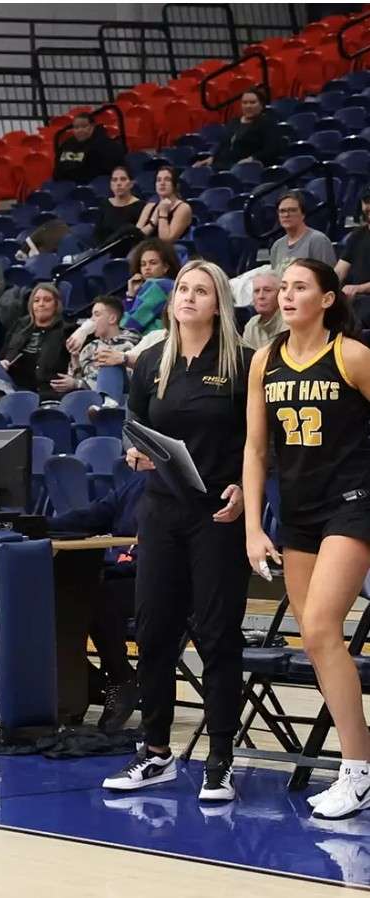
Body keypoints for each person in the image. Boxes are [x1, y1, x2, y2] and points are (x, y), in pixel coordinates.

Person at [103, 260, 250, 804]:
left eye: (200, 291)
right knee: (154, 630)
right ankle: (156, 750)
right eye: (183, 289)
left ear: (218, 303)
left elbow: (259, 442)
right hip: (161, 511)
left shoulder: (243, 362)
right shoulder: (150, 361)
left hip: (218, 515)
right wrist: (134, 453)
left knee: (217, 635)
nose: (188, 297)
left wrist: (244, 487)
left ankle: (220, 759)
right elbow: (134, 426)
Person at [243, 258, 370, 820]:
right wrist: (253, 526)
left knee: (320, 626)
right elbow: (255, 450)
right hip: (297, 513)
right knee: (317, 644)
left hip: (352, 504)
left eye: (300, 287)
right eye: (284, 287)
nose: (287, 295)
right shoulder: (264, 360)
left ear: (327, 298)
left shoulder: (352, 355)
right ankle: (360, 759)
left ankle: (357, 771)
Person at [48, 466, 147, 731]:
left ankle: (120, 677)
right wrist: (36, 525)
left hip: (157, 579)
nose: (131, 455)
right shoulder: (136, 484)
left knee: (95, 593)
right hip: (119, 573)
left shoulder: (180, 487)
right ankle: (81, 679)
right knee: (59, 591)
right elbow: (93, 516)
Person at [0, 283, 73, 399]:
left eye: (47, 300)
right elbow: (2, 355)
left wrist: (74, 381)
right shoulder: (20, 326)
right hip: (13, 386)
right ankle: (3, 399)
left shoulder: (67, 331)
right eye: (36, 301)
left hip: (47, 391)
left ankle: (4, 401)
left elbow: (77, 363)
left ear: (56, 305)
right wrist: (2, 362)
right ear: (31, 305)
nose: (41, 304)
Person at [58, 296, 138, 393]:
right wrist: (75, 360)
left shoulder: (129, 346)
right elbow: (76, 381)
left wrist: (77, 384)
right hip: (86, 398)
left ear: (112, 319)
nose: (91, 320)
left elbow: (121, 383)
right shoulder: (90, 347)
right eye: (91, 316)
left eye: (97, 315)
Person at [199, 87, 287, 170]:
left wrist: (252, 158)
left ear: (261, 105)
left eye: (252, 102)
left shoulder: (267, 123)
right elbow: (223, 144)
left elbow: (272, 149)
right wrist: (212, 158)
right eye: (245, 103)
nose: (248, 106)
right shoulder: (234, 122)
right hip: (221, 164)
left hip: (246, 168)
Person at [271, 190, 338, 271]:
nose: (286, 215)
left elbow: (328, 276)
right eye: (282, 211)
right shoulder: (277, 246)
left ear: (303, 214)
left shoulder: (318, 240)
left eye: (292, 210)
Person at [54, 113, 126, 184]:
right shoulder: (67, 144)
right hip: (68, 184)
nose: (80, 130)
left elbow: (99, 172)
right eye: (76, 127)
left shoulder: (106, 145)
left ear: (92, 126)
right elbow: (58, 170)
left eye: (84, 126)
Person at [334, 188, 370, 319]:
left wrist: (359, 288)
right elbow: (339, 272)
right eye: (367, 202)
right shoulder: (357, 235)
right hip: (358, 302)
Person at [94, 165, 148, 250]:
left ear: (131, 184)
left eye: (123, 179)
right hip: (105, 253)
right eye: (114, 180)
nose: (118, 183)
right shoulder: (105, 204)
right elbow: (97, 234)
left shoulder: (141, 206)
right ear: (111, 185)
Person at [134, 166, 193, 244]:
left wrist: (163, 214)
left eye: (167, 180)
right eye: (159, 180)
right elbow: (136, 237)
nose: (162, 183)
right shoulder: (149, 206)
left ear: (175, 184)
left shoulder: (183, 208)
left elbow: (166, 241)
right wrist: (153, 223)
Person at [241, 270, 287, 351]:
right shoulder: (251, 325)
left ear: (280, 294)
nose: (261, 296)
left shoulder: (290, 322)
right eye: (256, 291)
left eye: (267, 290)